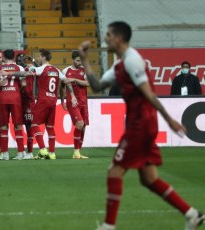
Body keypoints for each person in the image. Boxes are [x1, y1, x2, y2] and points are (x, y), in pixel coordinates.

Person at [77, 21, 204, 230]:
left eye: (108, 34)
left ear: (118, 38)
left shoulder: (133, 60)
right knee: (149, 178)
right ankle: (192, 215)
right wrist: (84, 61)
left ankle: (109, 226)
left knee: (114, 171)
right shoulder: (119, 64)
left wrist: (169, 119)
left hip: (141, 123)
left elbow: (148, 92)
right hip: (140, 122)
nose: (105, 38)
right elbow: (98, 86)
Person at [1, 49, 78, 160]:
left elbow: (26, 73)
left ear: (43, 57)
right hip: (53, 101)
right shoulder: (56, 70)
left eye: (39, 56)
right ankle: (52, 153)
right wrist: (72, 95)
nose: (38, 58)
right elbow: (67, 81)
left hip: (43, 101)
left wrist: (8, 73)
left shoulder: (40, 69)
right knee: (50, 127)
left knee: (34, 124)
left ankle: (42, 149)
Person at [0, 49, 26, 160]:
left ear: (3, 57)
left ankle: (4, 153)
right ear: (14, 56)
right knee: (18, 126)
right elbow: (24, 84)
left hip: (2, 98)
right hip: (15, 98)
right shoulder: (19, 68)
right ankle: (21, 152)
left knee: (3, 126)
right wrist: (17, 89)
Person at [60, 51, 89, 159]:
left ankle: (78, 151)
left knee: (84, 126)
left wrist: (75, 80)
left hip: (83, 102)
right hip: (72, 102)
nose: (80, 62)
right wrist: (62, 101)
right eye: (77, 60)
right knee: (80, 124)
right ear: (73, 60)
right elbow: (62, 87)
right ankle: (76, 152)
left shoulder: (84, 70)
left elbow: (88, 83)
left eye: (81, 60)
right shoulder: (66, 71)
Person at [16, 53, 36, 160]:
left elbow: (41, 68)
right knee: (18, 125)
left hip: (28, 101)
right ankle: (21, 151)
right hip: (18, 101)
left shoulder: (30, 68)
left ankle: (30, 152)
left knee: (29, 126)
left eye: (22, 59)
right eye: (19, 60)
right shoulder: (16, 70)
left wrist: (32, 60)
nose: (21, 61)